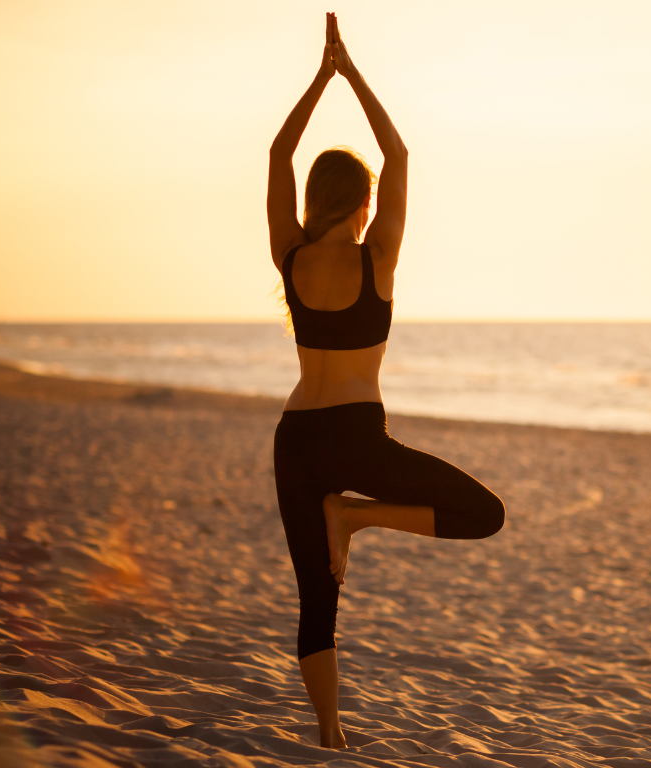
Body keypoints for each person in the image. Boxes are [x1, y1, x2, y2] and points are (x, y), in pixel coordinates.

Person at [267, 13, 505, 749]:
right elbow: (397, 149)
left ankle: (331, 735)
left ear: (316, 199)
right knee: (483, 513)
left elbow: (279, 151)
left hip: (296, 438)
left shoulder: (292, 257)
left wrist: (317, 80)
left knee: (317, 597)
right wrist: (350, 72)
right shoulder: (380, 260)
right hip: (356, 443)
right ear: (364, 204)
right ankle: (360, 517)